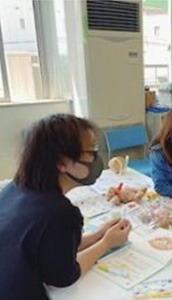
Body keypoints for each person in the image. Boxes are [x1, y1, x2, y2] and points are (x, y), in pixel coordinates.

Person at [0, 114, 132, 300]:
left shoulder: (15, 189)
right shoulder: (60, 213)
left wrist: (97, 236)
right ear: (61, 163)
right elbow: (63, 277)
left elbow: (51, 249)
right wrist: (106, 244)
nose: (96, 158)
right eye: (91, 151)